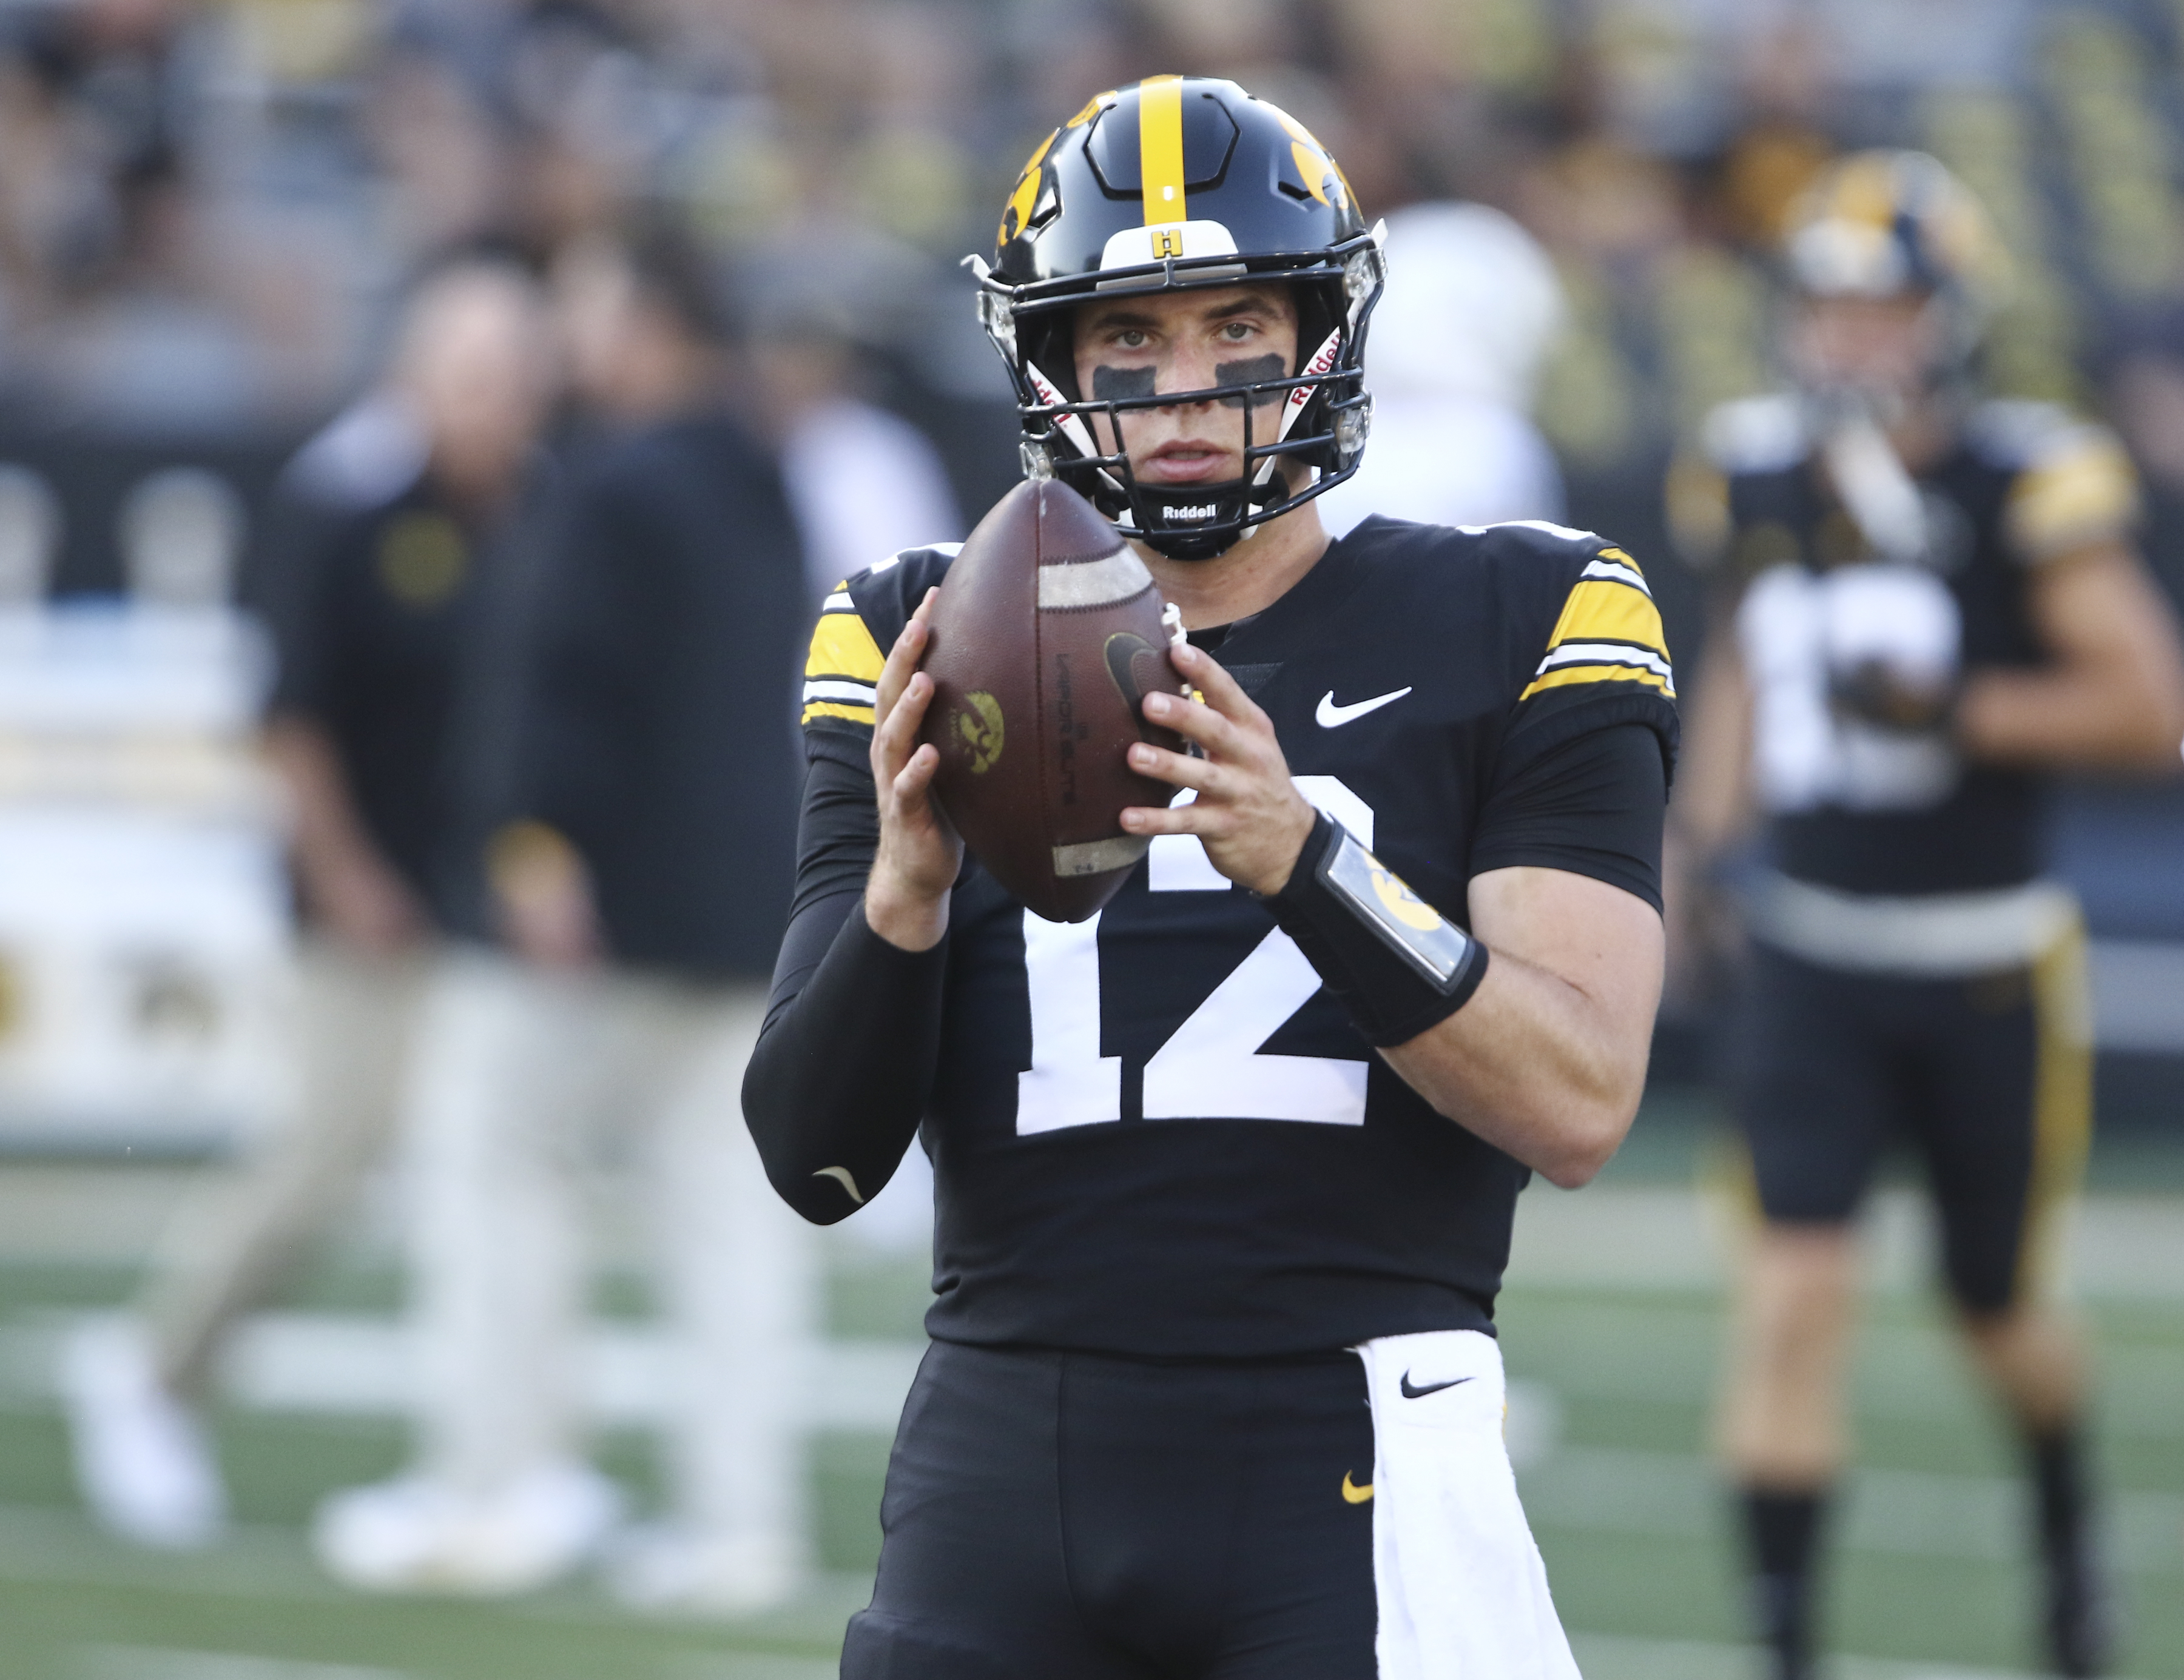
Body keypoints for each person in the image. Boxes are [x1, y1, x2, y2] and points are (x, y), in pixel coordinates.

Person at [743, 76, 1679, 1678]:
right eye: (1129, 340)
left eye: (1234, 323)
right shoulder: (919, 626)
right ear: (1051, 364)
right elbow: (816, 1162)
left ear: (1321, 334)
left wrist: (1302, 857)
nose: (1184, 384)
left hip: (1361, 1445)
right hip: (999, 1459)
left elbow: (1579, 1100)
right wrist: (902, 898)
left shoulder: (1523, 612)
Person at [1672, 152, 2184, 1680]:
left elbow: (2149, 705)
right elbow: (1748, 662)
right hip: (1811, 945)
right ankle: (1785, 1646)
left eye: (1883, 303)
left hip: (1981, 962)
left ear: (1948, 313)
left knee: (1996, 1304)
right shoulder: (1753, 465)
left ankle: (2066, 1515)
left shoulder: (2025, 473)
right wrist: (1702, 847)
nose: (1851, 335)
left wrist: (1960, 705)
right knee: (1793, 1289)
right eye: (1828, 303)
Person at [312, 222, 818, 1610]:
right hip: (734, 910)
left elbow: (557, 696)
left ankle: (498, 1483)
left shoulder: (610, 481)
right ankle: (739, 1525)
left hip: (586, 919)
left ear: (652, 322)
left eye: (589, 304)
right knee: (727, 1227)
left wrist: (532, 850)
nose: (564, 332)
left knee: (492, 1174)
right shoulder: (763, 472)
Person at [59, 257, 557, 1550]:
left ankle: (505, 1455)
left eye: (513, 378)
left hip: (478, 897)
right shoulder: (347, 498)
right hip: (364, 900)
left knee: (494, 1170)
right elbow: (288, 714)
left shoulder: (540, 504)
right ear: (418, 374)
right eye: (474, 377)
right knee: (324, 1154)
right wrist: (347, 873)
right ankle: (158, 1369)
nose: (497, 403)